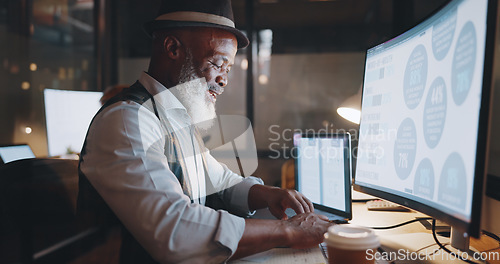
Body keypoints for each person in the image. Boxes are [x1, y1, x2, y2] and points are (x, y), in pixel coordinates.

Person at [77, 0, 332, 263]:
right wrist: (287, 231)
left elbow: (219, 182)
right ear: (172, 47)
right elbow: (175, 230)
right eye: (217, 62)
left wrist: (268, 194)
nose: (224, 79)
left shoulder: (176, 119)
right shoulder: (128, 120)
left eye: (228, 68)